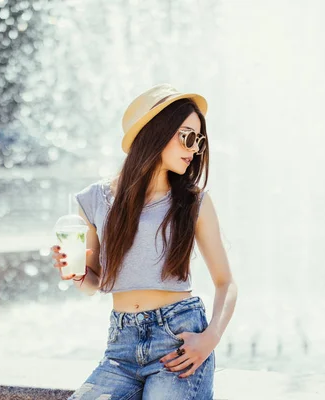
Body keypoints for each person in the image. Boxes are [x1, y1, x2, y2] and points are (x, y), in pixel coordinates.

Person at [50, 84, 238, 399]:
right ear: (156, 132)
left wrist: (211, 338)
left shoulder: (194, 203)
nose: (194, 149)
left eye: (199, 141)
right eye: (188, 136)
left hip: (177, 343)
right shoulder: (94, 200)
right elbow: (94, 282)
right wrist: (78, 273)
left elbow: (226, 282)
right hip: (120, 348)